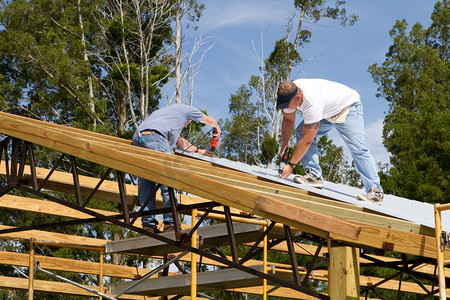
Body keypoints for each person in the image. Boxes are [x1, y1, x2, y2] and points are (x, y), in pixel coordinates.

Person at [277, 79, 384, 205]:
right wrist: (284, 146)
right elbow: (288, 120)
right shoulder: (291, 92)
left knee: (358, 148)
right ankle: (314, 176)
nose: (287, 108)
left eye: (287, 105)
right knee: (301, 130)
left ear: (298, 97)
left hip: (347, 109)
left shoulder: (312, 102)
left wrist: (290, 165)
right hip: (327, 112)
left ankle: (376, 192)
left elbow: (307, 140)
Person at [132, 103, 221, 232]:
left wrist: (198, 151)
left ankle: (148, 225)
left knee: (146, 183)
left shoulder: (164, 117)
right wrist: (217, 129)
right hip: (156, 138)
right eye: (187, 123)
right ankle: (170, 223)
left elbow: (181, 143)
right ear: (188, 118)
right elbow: (210, 121)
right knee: (169, 181)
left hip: (140, 139)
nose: (185, 125)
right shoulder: (186, 110)